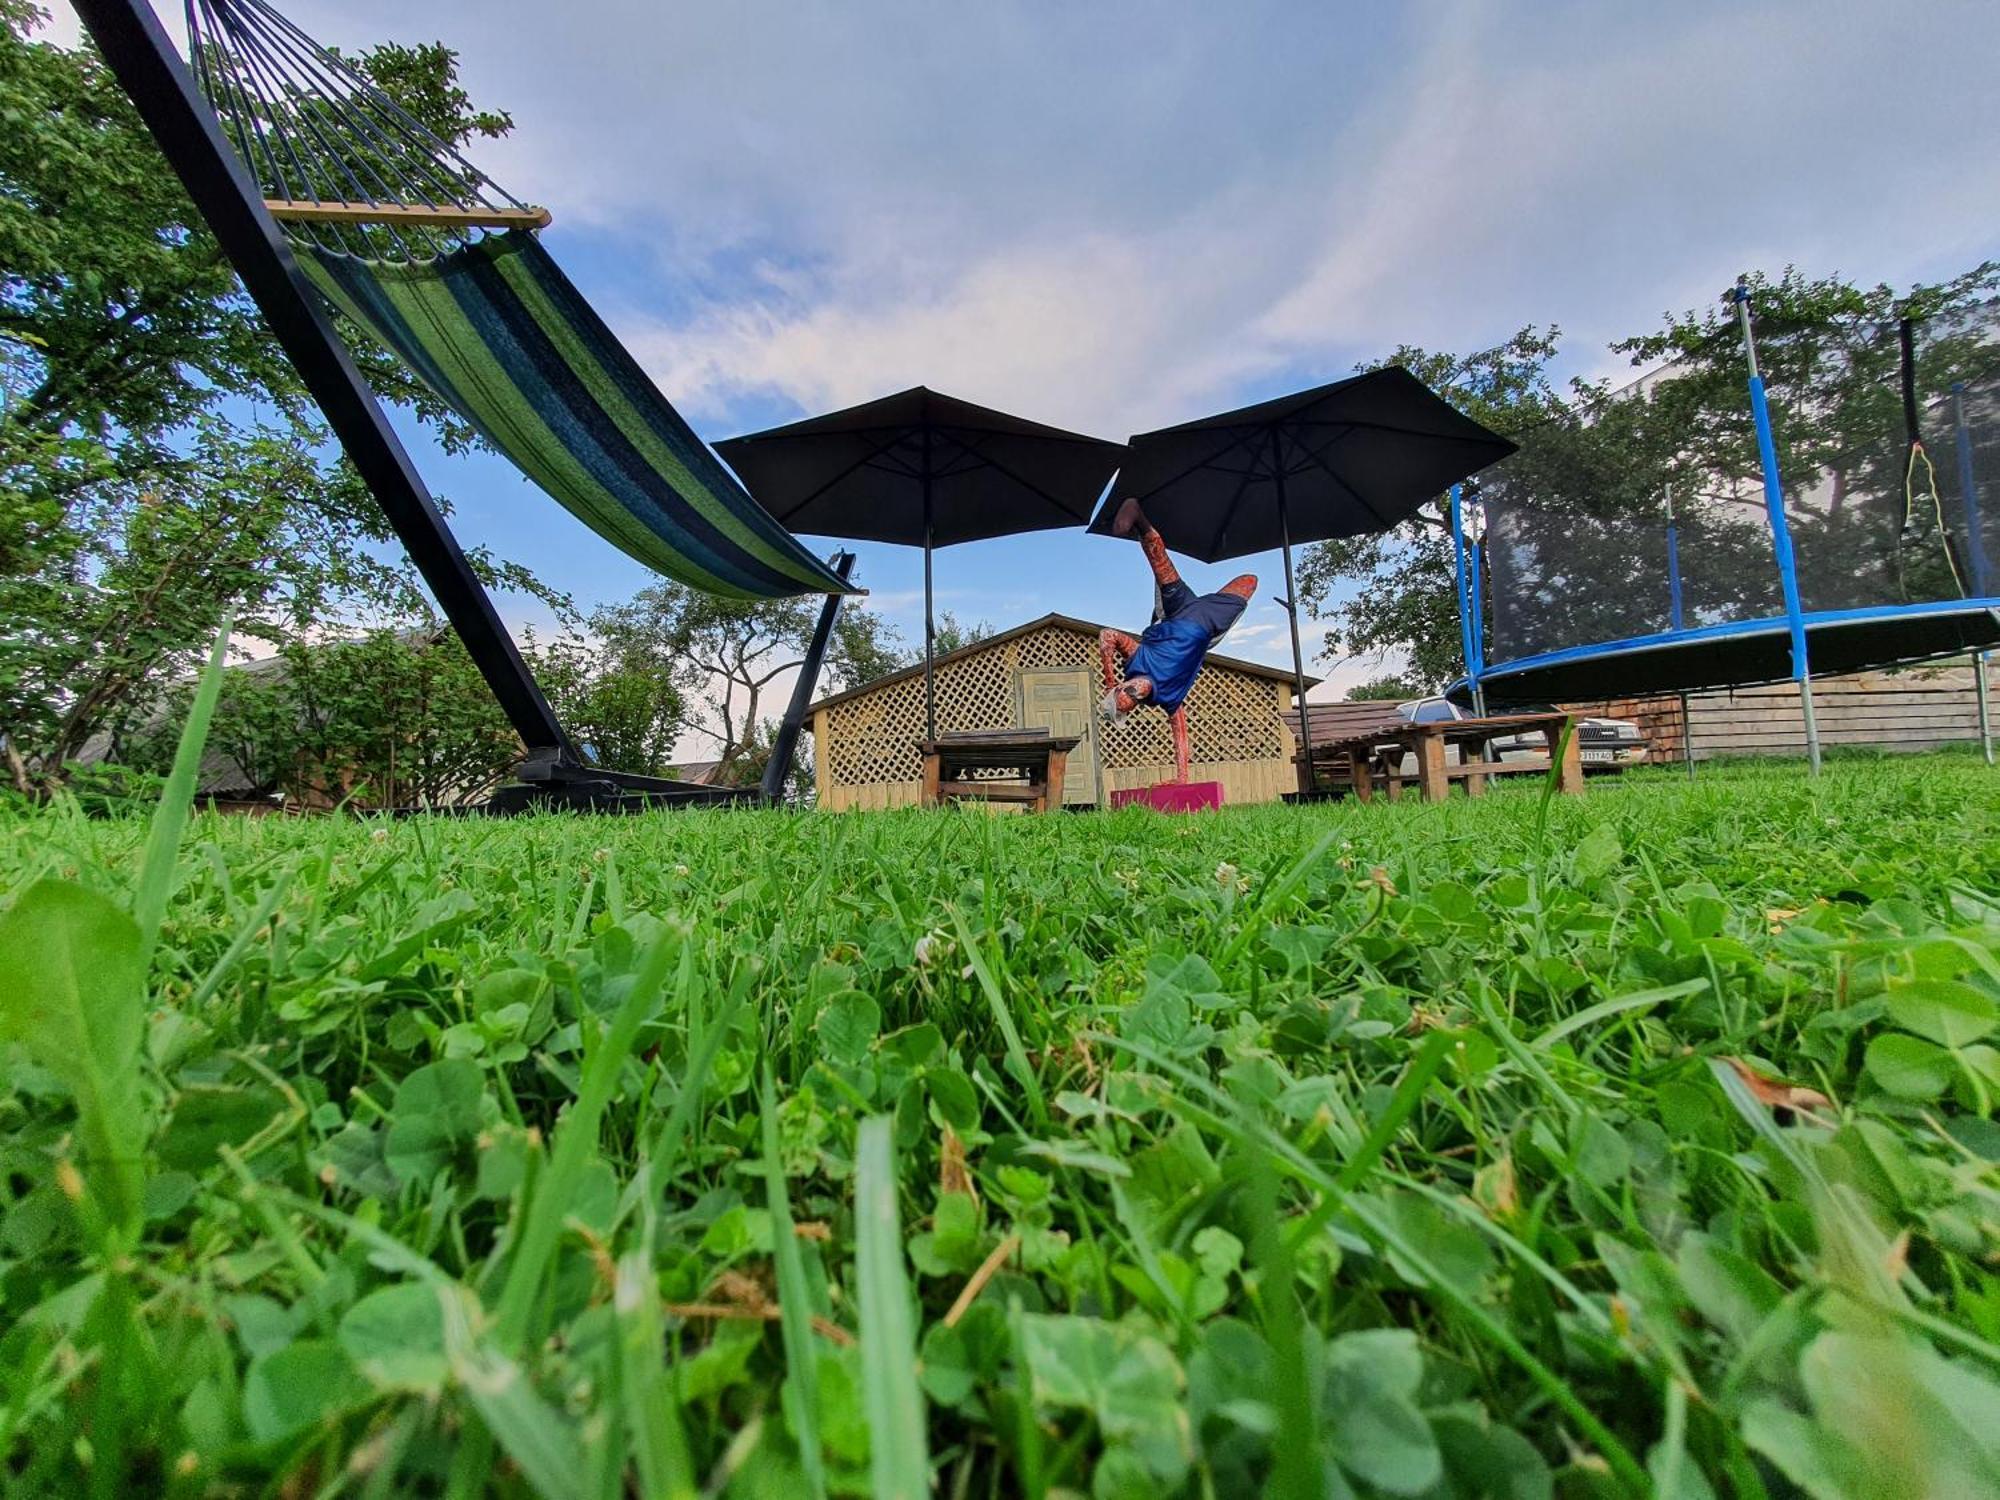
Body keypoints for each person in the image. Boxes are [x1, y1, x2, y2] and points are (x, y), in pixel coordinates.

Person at [1098, 498, 1257, 783]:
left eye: (1127, 693)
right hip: (1205, 625)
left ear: (1122, 686)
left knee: (1162, 568)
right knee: (1249, 581)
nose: (1135, 694)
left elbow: (1108, 635)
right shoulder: (1170, 698)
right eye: (1132, 702)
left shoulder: (1135, 661)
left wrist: (1109, 677)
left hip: (1173, 612)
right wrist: (1182, 778)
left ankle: (1139, 520)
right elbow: (1181, 734)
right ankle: (1213, 599)